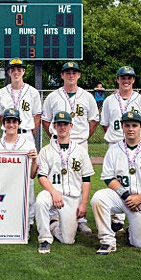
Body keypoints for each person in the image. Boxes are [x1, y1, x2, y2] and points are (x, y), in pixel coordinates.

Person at [91, 111, 141, 255]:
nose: (131, 129)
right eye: (127, 125)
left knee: (140, 244)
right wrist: (127, 196)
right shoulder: (114, 149)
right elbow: (108, 177)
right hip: (122, 198)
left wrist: (140, 198)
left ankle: (132, 230)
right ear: (122, 127)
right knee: (98, 198)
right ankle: (107, 241)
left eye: (134, 125)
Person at [41, 61, 99, 234]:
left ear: (79, 75)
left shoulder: (87, 96)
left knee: (80, 180)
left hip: (79, 143)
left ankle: (80, 218)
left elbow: (94, 120)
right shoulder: (53, 96)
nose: (71, 75)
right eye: (67, 72)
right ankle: (54, 215)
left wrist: (84, 137)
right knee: (55, 176)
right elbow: (46, 120)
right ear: (62, 75)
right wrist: (55, 135)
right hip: (58, 143)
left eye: (74, 72)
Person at [99, 66, 141, 232]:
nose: (126, 80)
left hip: (135, 146)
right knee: (115, 178)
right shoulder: (109, 100)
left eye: (129, 77)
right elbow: (105, 124)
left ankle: (136, 212)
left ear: (133, 80)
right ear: (118, 79)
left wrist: (133, 139)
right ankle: (117, 218)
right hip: (115, 144)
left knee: (136, 178)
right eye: (123, 77)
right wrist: (118, 138)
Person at [35, 111, 94, 254]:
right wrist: (54, 193)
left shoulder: (80, 151)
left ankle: (54, 225)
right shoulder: (46, 150)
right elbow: (41, 176)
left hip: (72, 196)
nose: (62, 127)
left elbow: (86, 179)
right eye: (59, 124)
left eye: (65, 124)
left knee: (68, 240)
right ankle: (44, 239)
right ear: (54, 126)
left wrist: (83, 203)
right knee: (41, 201)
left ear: (71, 126)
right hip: (53, 193)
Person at [0, 108, 37, 232]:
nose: (11, 125)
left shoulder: (28, 145)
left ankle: (29, 222)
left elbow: (32, 175)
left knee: (29, 187)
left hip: (22, 186)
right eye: (8, 121)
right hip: (3, 185)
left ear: (19, 123)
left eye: (14, 122)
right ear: (3, 124)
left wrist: (35, 160)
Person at [0, 58, 41, 145]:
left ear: (23, 71)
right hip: (7, 135)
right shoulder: (1, 93)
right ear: (9, 72)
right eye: (13, 70)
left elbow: (37, 116)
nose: (16, 72)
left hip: (26, 134)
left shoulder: (33, 92)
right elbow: (1, 116)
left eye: (19, 70)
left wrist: (30, 133)